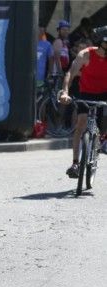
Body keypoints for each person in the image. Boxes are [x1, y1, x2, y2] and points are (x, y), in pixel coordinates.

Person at [60, 26, 107, 178]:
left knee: (102, 127)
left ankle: (102, 143)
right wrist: (65, 92)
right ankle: (75, 163)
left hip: (104, 94)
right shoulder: (85, 55)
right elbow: (70, 73)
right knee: (81, 124)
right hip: (86, 93)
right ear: (101, 43)